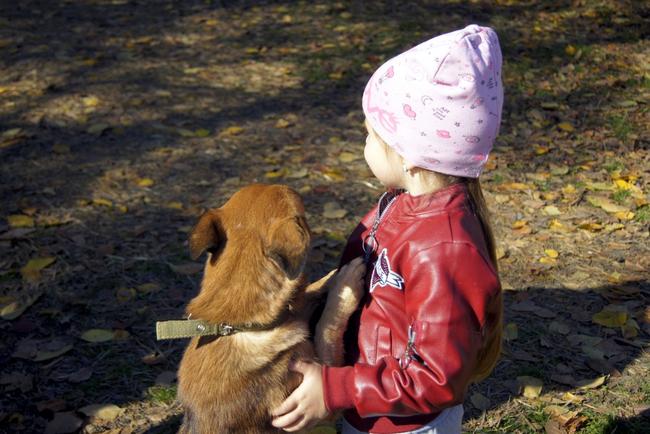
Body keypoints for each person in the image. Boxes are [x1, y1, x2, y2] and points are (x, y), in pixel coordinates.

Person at [272, 24, 504, 434]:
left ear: (412, 155)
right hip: (370, 408)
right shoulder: (399, 204)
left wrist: (333, 389)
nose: (363, 146)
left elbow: (435, 377)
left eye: (372, 136)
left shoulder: (445, 248)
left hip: (405, 426)